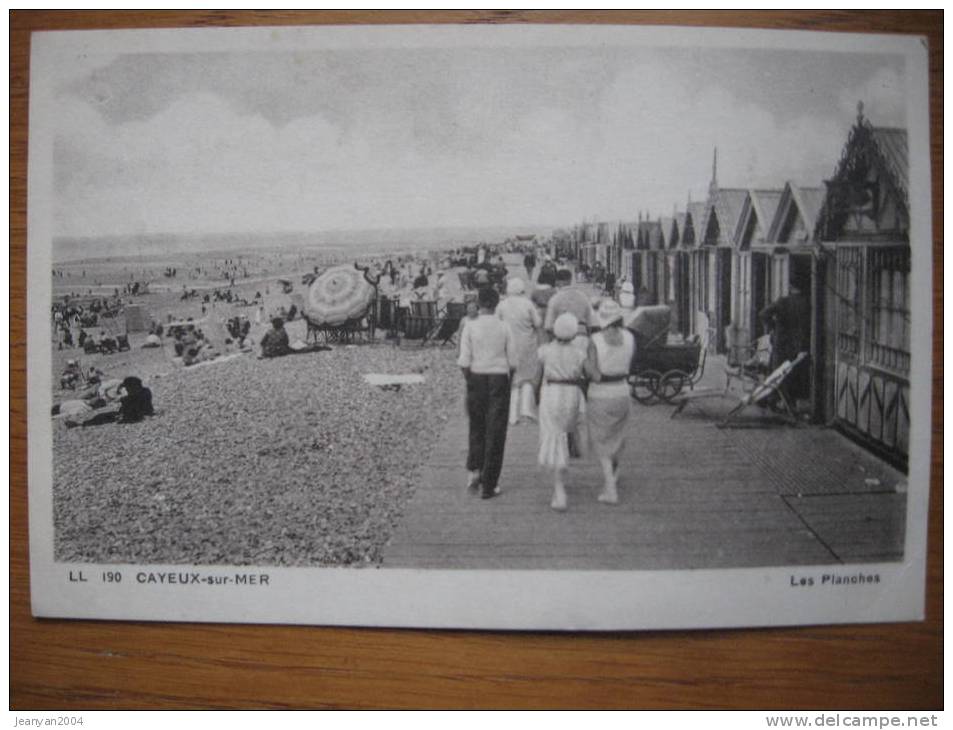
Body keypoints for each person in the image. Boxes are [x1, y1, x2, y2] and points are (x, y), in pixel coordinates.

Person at [457, 285, 516, 500]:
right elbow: (514, 360)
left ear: (479, 303)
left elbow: (463, 360)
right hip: (499, 378)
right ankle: (490, 484)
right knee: (496, 430)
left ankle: (475, 470)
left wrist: (470, 378)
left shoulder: (470, 327)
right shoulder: (504, 327)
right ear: (497, 303)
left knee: (477, 425)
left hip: (476, 376)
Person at [536, 312, 594, 512]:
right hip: (572, 395)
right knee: (564, 434)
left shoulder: (544, 351)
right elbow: (592, 374)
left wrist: (535, 400)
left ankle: (559, 489)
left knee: (553, 437)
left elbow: (537, 377)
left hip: (551, 393)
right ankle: (565, 467)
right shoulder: (579, 353)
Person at [587, 299, 636, 505]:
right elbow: (629, 364)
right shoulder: (630, 337)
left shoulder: (595, 339)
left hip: (600, 393)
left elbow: (594, 374)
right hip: (623, 391)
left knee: (602, 441)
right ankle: (615, 474)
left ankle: (610, 488)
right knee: (617, 436)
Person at [495, 278, 542, 425]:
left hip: (507, 344)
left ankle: (512, 414)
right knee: (527, 377)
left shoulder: (502, 305)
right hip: (527, 343)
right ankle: (526, 410)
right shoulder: (528, 304)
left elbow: (496, 323)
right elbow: (538, 323)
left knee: (512, 380)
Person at [759, 280, 811, 402]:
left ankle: (772, 400)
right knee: (791, 373)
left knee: (777, 373)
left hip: (781, 342)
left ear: (790, 287)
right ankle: (789, 401)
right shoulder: (807, 303)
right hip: (798, 344)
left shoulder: (784, 301)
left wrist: (773, 327)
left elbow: (763, 314)